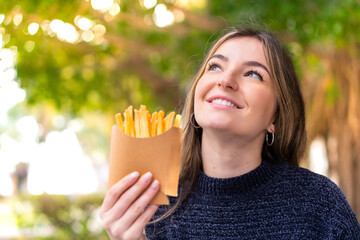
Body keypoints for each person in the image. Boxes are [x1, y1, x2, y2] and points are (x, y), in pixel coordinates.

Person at [99, 27, 360, 239]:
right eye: (215, 67)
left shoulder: (319, 204)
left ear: (276, 118)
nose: (225, 80)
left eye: (253, 74)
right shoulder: (154, 205)